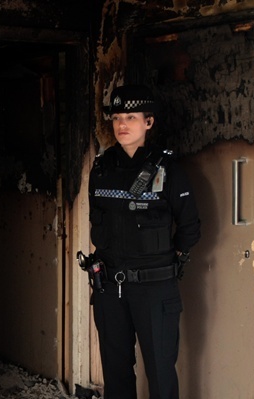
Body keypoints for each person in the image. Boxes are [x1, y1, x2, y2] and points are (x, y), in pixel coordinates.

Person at [87, 84, 201, 399]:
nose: (122, 125)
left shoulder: (168, 170)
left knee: (160, 371)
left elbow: (190, 227)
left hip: (155, 288)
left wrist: (165, 261)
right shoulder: (101, 168)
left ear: (148, 123)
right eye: (117, 118)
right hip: (109, 287)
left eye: (132, 117)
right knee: (116, 369)